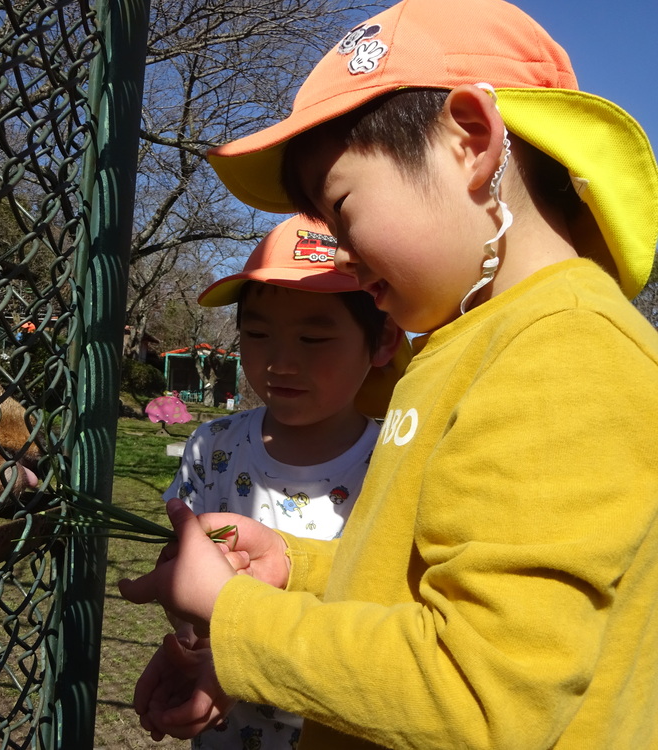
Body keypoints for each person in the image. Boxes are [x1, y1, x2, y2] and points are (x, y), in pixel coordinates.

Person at [119, 0, 658, 748]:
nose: (341, 255)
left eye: (343, 212)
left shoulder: (565, 351)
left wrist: (238, 616)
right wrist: (294, 566)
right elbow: (429, 584)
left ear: (470, 140)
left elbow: (481, 698)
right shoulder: (484, 341)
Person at [160, 214, 404, 750]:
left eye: (314, 337)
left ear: (382, 340)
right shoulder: (213, 446)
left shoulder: (396, 460)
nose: (280, 361)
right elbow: (183, 587)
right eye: (258, 333)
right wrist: (186, 641)